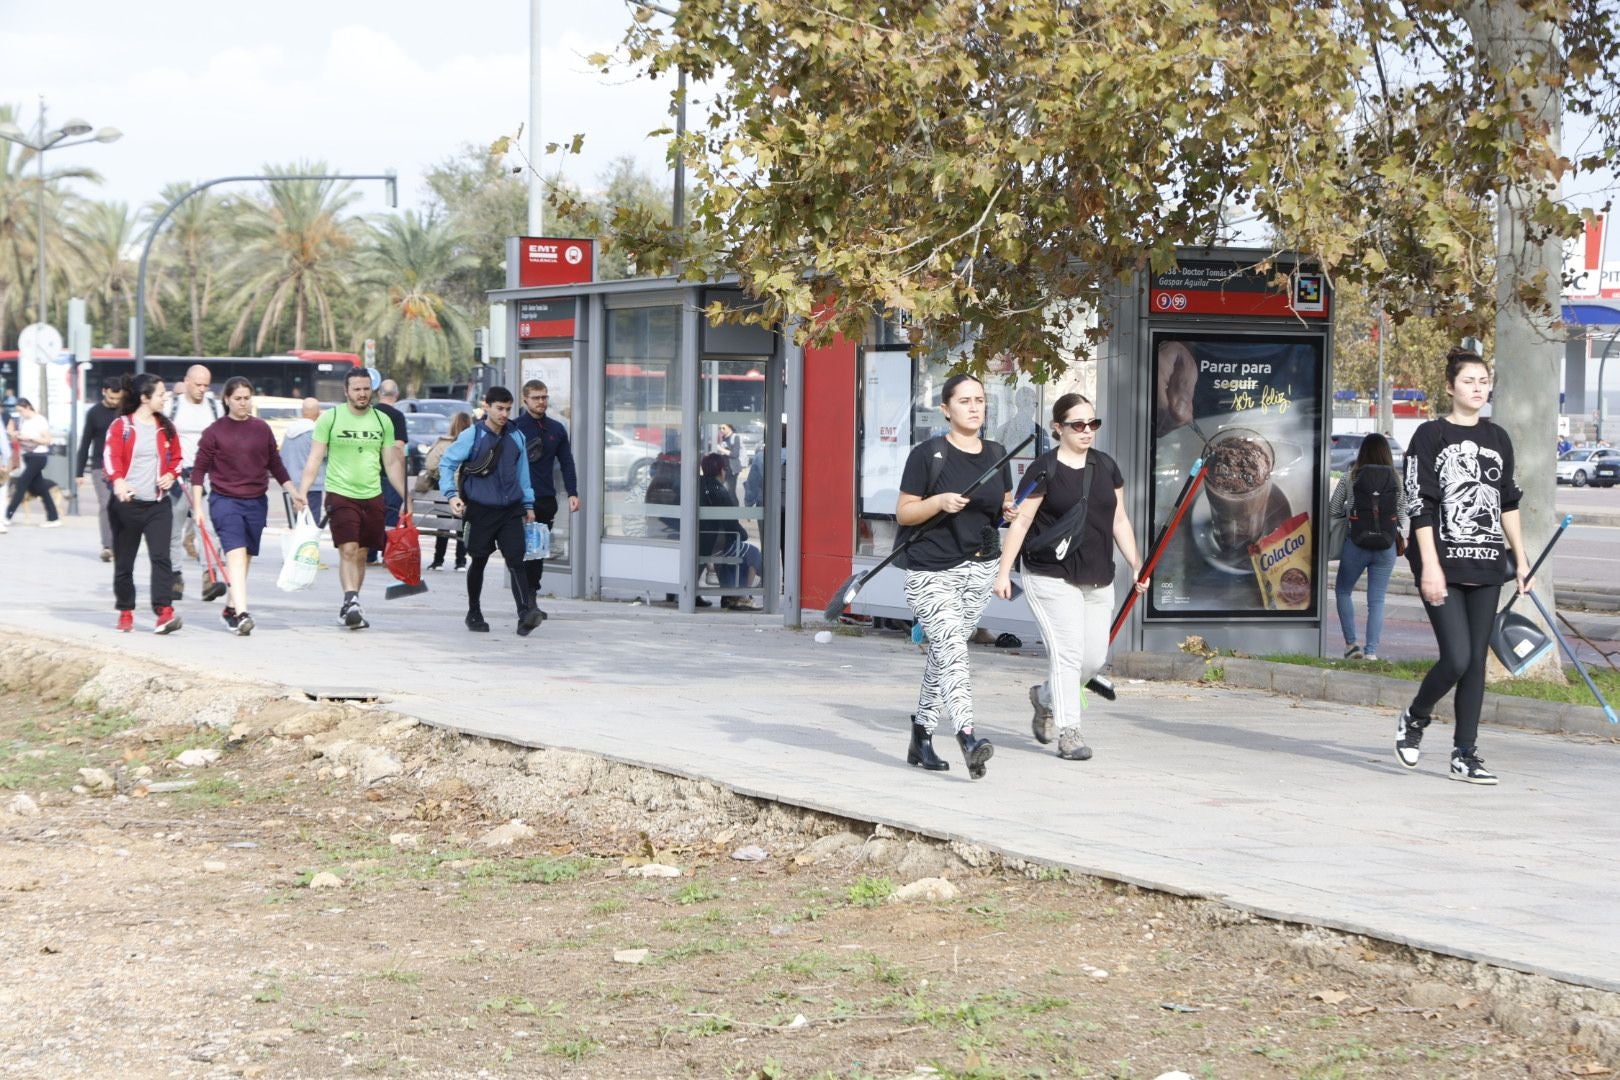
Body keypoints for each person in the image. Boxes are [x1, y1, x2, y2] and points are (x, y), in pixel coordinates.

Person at [1396, 348, 1531, 786]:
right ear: (1451, 386)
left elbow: (1507, 501)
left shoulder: (1499, 438)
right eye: (1469, 380)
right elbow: (1419, 504)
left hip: (1488, 564)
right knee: (1455, 657)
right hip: (1443, 564)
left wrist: (1522, 560)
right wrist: (1429, 566)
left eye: (1484, 381)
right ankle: (1415, 718)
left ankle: (1465, 753)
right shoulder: (1429, 436)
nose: (1478, 388)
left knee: (1475, 662)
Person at [994, 393, 1144, 762]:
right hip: (1050, 576)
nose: (1087, 431)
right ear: (1058, 428)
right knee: (1068, 654)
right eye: (1078, 425)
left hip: (1098, 576)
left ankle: (1044, 697)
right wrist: (1003, 571)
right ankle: (1069, 732)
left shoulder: (1107, 467)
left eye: (1093, 424)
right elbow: (1022, 521)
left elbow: (1119, 519)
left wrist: (1136, 563)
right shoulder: (1044, 469)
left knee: (1092, 660)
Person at [895, 373, 1011, 779]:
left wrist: (1007, 513)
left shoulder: (996, 452)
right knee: (954, 652)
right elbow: (905, 512)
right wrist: (939, 502)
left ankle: (921, 735)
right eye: (964, 401)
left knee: (946, 654)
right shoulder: (928, 454)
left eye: (980, 399)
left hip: (979, 568)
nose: (975, 407)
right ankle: (967, 736)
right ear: (945, 409)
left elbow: (1000, 506)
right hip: (930, 569)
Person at [191, 377, 306, 636]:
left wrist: (293, 492)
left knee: (245, 558)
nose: (243, 403)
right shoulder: (214, 431)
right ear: (227, 400)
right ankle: (243, 614)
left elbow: (275, 464)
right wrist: (198, 507)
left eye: (246, 398)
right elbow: (198, 472)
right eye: (238, 398)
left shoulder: (261, 429)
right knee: (235, 554)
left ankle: (231, 608)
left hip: (256, 501)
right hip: (224, 500)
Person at [296, 368, 408, 630]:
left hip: (372, 494)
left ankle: (351, 604)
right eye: (357, 389)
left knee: (361, 552)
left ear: (373, 390)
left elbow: (391, 463)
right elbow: (314, 458)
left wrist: (406, 496)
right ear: (346, 391)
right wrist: (302, 491)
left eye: (366, 389)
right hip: (340, 493)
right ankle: (351, 600)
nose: (362, 394)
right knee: (347, 548)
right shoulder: (330, 419)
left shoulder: (383, 421)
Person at [439, 387, 541, 635]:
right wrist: (451, 496)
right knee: (479, 560)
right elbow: (447, 463)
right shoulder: (472, 435)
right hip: (480, 510)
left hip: (510, 510)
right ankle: (474, 612)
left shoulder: (516, 436)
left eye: (508, 409)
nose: (504, 414)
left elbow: (523, 473)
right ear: (487, 407)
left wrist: (528, 504)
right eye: (500, 408)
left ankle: (524, 613)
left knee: (516, 559)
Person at [102, 374, 183, 634]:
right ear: (145, 398)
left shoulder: (166, 427)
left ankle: (164, 612)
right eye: (160, 394)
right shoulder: (121, 426)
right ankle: (126, 610)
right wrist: (118, 482)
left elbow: (178, 458)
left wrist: (172, 474)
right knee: (125, 562)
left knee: (162, 558)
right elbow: (109, 456)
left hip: (158, 505)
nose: (165, 398)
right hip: (127, 506)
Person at [1329, 432, 1408, 661]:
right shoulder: (1396, 479)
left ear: (1362, 451)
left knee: (1343, 591)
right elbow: (1402, 517)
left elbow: (1334, 510)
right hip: (1386, 547)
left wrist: (1353, 513)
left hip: (1357, 544)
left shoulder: (1350, 477)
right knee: (1377, 600)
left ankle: (1351, 645)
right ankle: (1371, 652)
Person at [511, 380, 579, 615]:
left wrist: (573, 492)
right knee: (519, 551)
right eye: (536, 397)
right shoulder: (515, 427)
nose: (541, 402)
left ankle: (532, 597)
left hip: (545, 499)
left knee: (537, 551)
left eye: (544, 397)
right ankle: (523, 602)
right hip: (518, 501)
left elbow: (567, 462)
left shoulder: (557, 429)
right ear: (525, 399)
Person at [165, 364, 222, 600]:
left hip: (207, 478)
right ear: (186, 381)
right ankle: (174, 576)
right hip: (179, 478)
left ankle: (210, 576)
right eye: (197, 384)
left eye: (206, 385)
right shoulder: (172, 406)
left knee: (207, 528)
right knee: (173, 531)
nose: (201, 389)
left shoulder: (214, 406)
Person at [700, 452, 765, 609]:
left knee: (736, 552)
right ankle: (742, 595)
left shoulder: (700, 485)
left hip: (705, 541)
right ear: (721, 470)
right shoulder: (720, 491)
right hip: (716, 543)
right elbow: (731, 523)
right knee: (753, 552)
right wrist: (743, 534)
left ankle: (730, 595)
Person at [75, 377, 125, 559]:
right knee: (106, 504)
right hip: (100, 466)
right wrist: (79, 472)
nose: (115, 402)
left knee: (122, 506)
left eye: (118, 399)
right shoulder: (94, 413)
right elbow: (85, 442)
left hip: (123, 465)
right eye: (112, 398)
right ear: (104, 391)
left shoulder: (125, 411)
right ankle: (108, 546)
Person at [421, 411, 472, 571]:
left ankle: (438, 561)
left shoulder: (444, 443)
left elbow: (430, 465)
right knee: (462, 525)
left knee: (443, 525)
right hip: (464, 491)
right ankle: (461, 562)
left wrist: (441, 473)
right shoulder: (472, 443)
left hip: (444, 490)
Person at [3, 398, 60, 528]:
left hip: (38, 456)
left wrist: (30, 438)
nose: (20, 414)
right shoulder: (24, 421)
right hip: (28, 456)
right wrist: (17, 435)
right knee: (41, 488)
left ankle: (7, 516)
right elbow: (23, 436)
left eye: (21, 411)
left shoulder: (40, 420)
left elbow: (47, 440)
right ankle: (53, 517)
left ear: (28, 407)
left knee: (22, 483)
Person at [278, 398, 326, 526]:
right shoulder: (316, 432)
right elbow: (325, 455)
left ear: (302, 411)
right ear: (318, 413)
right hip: (313, 486)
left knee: (295, 524)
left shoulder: (290, 432)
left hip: (291, 485)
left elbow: (282, 458)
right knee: (311, 525)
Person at [714, 422, 744, 494]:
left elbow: (735, 454)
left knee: (731, 491)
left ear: (730, 428)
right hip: (724, 468)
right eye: (720, 428)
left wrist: (720, 449)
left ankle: (733, 504)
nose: (721, 430)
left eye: (723, 428)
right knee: (721, 489)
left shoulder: (735, 437)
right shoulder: (723, 438)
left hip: (732, 468)